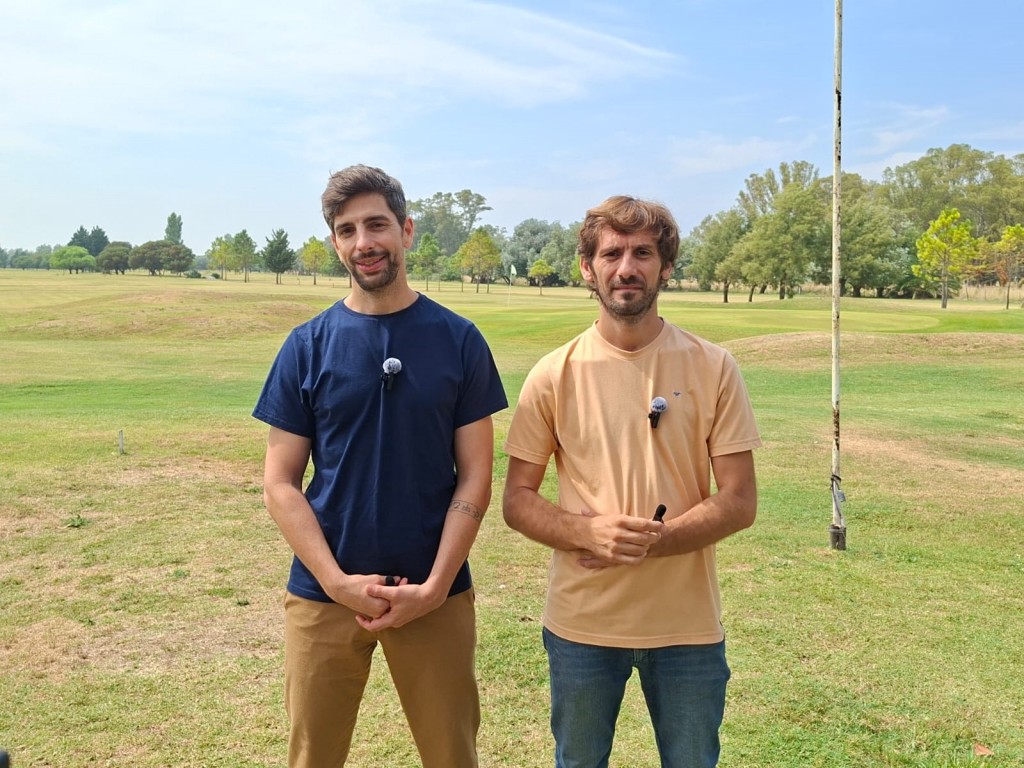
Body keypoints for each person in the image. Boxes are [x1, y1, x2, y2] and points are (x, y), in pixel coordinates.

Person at [253, 164, 507, 768]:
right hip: (324, 593)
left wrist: (438, 585)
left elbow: (475, 476)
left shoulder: (459, 339)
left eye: (376, 224)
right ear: (336, 243)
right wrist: (339, 584)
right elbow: (279, 482)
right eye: (347, 230)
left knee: (452, 754)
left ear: (407, 231)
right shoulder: (306, 345)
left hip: (433, 592)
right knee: (312, 757)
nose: (363, 242)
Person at [502, 195, 761, 768]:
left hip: (687, 627)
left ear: (665, 266)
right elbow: (517, 501)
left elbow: (740, 501)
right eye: (611, 252)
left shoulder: (714, 366)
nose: (627, 267)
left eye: (643, 252)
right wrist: (587, 532)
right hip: (582, 627)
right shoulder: (554, 373)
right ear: (587, 268)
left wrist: (652, 542)